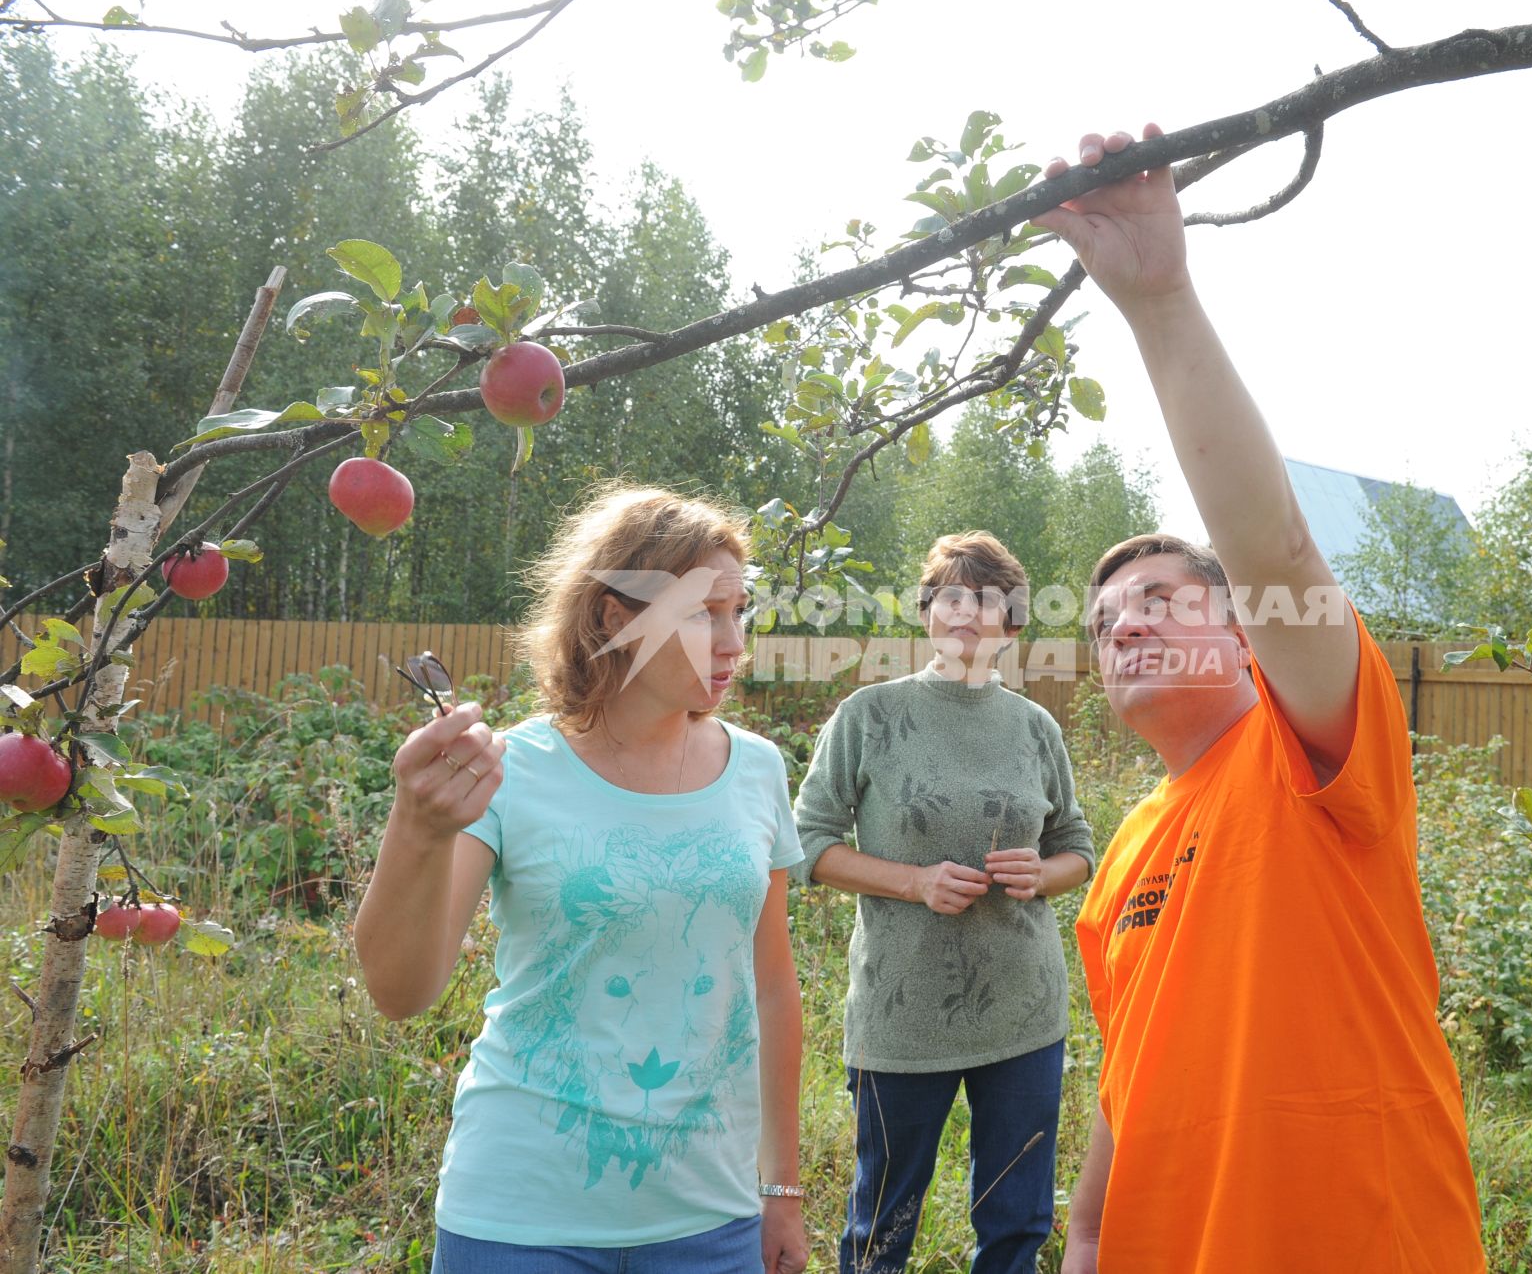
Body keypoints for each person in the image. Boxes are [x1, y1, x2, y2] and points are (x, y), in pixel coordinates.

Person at [1031, 129, 1486, 1272]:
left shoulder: (1320, 751)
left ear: (1243, 633)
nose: (1123, 623)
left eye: (1159, 600)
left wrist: (1159, 303)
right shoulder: (1126, 847)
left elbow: (1275, 546)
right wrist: (1085, 1229)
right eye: (1103, 621)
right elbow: (1135, 1055)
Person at [354, 484, 810, 1274]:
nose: (734, 640)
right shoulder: (512, 770)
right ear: (614, 616)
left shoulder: (758, 769)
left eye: (741, 611)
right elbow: (400, 989)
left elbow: (770, 987)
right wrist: (417, 828)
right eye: (705, 612)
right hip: (521, 1217)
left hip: (711, 1215)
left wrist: (782, 1185)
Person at [791, 531, 1097, 1274]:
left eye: (987, 598)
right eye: (951, 594)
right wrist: (915, 881)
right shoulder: (868, 715)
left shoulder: (1035, 727)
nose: (967, 610)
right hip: (903, 1013)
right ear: (927, 610)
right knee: (882, 1227)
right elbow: (807, 843)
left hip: (1024, 1011)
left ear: (1013, 621)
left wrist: (1041, 874)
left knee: (1016, 1221)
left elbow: (1078, 846)